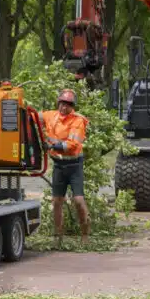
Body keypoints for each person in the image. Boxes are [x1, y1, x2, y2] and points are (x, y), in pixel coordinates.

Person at [41, 88, 90, 240]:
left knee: (78, 201)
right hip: (59, 166)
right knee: (56, 202)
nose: (64, 107)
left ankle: (85, 236)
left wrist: (52, 146)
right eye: (62, 103)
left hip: (74, 166)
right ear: (58, 103)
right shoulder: (51, 116)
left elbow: (73, 144)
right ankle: (58, 236)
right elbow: (34, 116)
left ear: (72, 106)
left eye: (68, 104)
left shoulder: (78, 121)